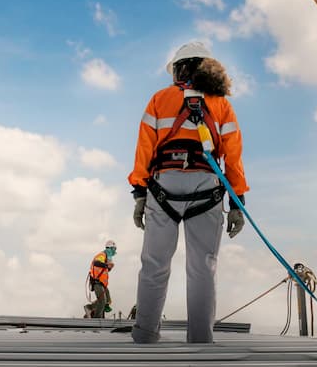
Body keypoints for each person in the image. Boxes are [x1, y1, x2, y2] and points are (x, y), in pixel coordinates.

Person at [128, 41, 249, 344]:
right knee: (203, 268)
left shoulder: (159, 99)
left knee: (154, 264)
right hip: (206, 188)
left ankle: (144, 335)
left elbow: (144, 148)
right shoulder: (221, 104)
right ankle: (200, 340)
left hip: (164, 187)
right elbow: (233, 156)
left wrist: (139, 192)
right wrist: (237, 202)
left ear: (179, 69)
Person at [84, 240, 117, 318]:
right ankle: (97, 318)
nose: (114, 251)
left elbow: (104, 269)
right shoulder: (102, 255)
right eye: (113, 249)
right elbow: (96, 263)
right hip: (97, 282)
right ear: (110, 248)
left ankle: (90, 310)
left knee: (107, 300)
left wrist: (109, 267)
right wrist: (107, 265)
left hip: (102, 283)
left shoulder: (106, 258)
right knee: (102, 301)